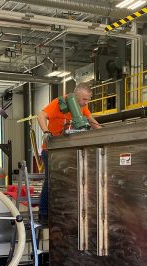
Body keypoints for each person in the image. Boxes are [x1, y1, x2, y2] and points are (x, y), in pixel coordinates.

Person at [36, 83, 101, 224]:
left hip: (68, 149)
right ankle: (44, 214)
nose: (86, 103)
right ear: (75, 95)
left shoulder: (82, 106)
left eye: (88, 100)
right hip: (51, 149)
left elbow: (91, 121)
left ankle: (64, 212)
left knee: (68, 181)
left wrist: (103, 132)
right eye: (84, 99)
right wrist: (46, 132)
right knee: (51, 180)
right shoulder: (59, 103)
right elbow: (40, 115)